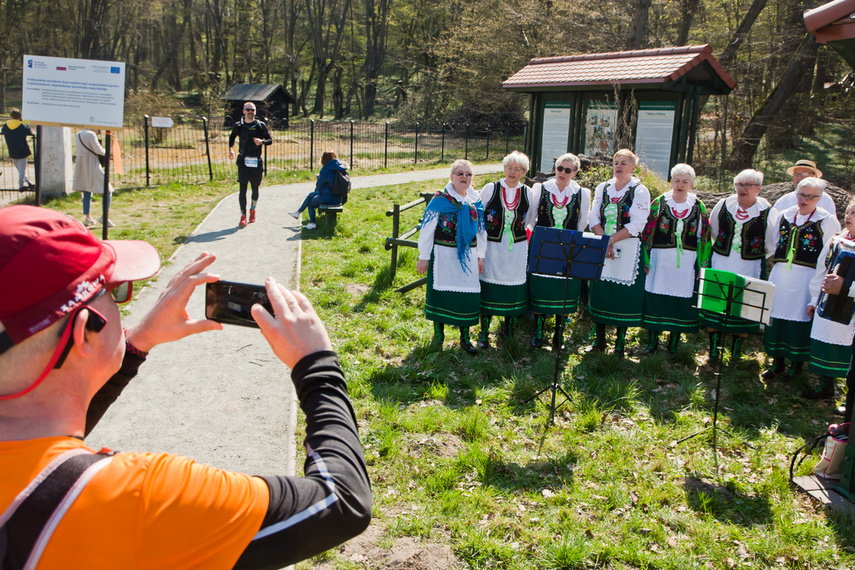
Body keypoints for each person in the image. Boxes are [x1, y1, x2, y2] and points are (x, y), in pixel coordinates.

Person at [0, 206, 371, 568]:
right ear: (84, 333)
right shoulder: (140, 499)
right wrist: (316, 364)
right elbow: (342, 501)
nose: (121, 303)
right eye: (114, 293)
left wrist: (135, 342)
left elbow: (49, 452)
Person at [763, 178, 839, 382]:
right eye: (801, 194)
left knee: (798, 320)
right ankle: (777, 363)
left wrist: (816, 292)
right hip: (780, 275)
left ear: (819, 199)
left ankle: (796, 367)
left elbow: (828, 257)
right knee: (777, 317)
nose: (804, 199)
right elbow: (775, 242)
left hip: (805, 279)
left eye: (810, 196)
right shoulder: (785, 216)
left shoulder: (826, 221)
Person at [701, 169, 779, 363]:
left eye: (748, 185)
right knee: (715, 303)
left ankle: (736, 352)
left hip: (750, 265)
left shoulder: (767, 211)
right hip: (721, 260)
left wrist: (753, 253)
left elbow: (771, 242)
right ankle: (713, 351)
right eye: (739, 185)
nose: (742, 189)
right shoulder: (724, 204)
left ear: (758, 188)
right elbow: (715, 230)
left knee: (745, 305)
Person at [417, 159, 486, 354]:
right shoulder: (440, 200)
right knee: (441, 295)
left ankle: (465, 338)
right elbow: (427, 229)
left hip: (469, 258)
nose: (464, 177)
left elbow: (482, 232)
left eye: (468, 174)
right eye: (460, 173)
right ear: (451, 177)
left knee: (467, 296)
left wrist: (481, 256)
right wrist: (424, 257)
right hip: (443, 255)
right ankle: (438, 336)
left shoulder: (476, 202)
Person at [640, 163, 711, 355]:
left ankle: (673, 343)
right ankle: (652, 342)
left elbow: (704, 237)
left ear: (691, 184)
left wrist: (702, 264)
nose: (680, 185)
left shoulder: (698, 206)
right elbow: (647, 233)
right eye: (677, 181)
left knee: (680, 301)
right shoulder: (659, 203)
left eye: (685, 182)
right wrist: (645, 259)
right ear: (671, 182)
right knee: (656, 298)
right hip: (660, 259)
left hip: (686, 262)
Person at [588, 149, 651, 357]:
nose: (619, 166)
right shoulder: (603, 187)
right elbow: (594, 218)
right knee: (600, 290)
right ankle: (599, 339)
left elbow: (637, 224)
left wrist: (611, 241)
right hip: (602, 244)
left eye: (624, 163)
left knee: (623, 295)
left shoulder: (639, 190)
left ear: (633, 168)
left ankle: (620, 343)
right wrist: (604, 241)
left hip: (628, 246)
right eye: (616, 162)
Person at [527, 153, 591, 350]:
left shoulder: (582, 193)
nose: (562, 173)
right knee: (541, 285)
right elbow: (531, 217)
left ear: (575, 172)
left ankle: (559, 332)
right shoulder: (541, 188)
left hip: (568, 247)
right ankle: (539, 330)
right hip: (544, 244)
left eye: (568, 170)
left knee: (565, 288)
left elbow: (582, 224)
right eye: (559, 168)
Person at [476, 151, 538, 349]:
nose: (512, 172)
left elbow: (530, 220)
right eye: (509, 168)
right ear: (504, 169)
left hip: (517, 248)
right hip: (492, 246)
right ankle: (484, 330)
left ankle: (508, 328)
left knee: (513, 287)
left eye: (517, 169)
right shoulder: (490, 188)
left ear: (523, 172)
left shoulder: (528, 193)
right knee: (489, 286)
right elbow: (478, 215)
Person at [805, 199, 855, 400]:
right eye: (848, 212)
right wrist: (813, 299)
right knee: (825, 343)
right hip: (828, 304)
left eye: (854, 213)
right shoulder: (837, 240)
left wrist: (846, 288)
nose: (848, 216)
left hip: (850, 310)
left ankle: (849, 398)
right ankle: (826, 386)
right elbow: (821, 269)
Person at [229, 102, 273, 227]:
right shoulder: (239, 126)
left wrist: (262, 142)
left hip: (256, 161)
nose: (250, 111)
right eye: (248, 109)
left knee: (255, 187)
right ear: (243, 111)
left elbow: (270, 140)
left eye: (252, 110)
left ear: (255, 112)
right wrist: (231, 149)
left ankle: (252, 209)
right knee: (242, 188)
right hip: (243, 160)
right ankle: (243, 215)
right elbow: (232, 138)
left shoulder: (260, 125)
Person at [290, 149, 349, 230]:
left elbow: (319, 186)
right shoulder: (340, 167)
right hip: (338, 197)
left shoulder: (325, 170)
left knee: (311, 204)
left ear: (323, 159)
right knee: (311, 195)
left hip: (329, 197)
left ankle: (312, 223)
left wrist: (319, 178)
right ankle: (298, 212)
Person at [72, 128, 114, 227]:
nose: (99, 130)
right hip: (92, 163)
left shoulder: (79, 134)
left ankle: (88, 217)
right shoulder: (91, 134)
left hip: (81, 164)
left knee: (87, 190)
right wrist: (108, 152)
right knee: (108, 190)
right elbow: (98, 149)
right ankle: (104, 217)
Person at [1, 109, 33, 191]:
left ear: (10, 116)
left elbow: (2, 131)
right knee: (22, 170)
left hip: (12, 150)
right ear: (20, 117)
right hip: (22, 150)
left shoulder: (5, 126)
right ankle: (21, 186)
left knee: (20, 170)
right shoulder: (22, 126)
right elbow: (29, 131)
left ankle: (29, 182)